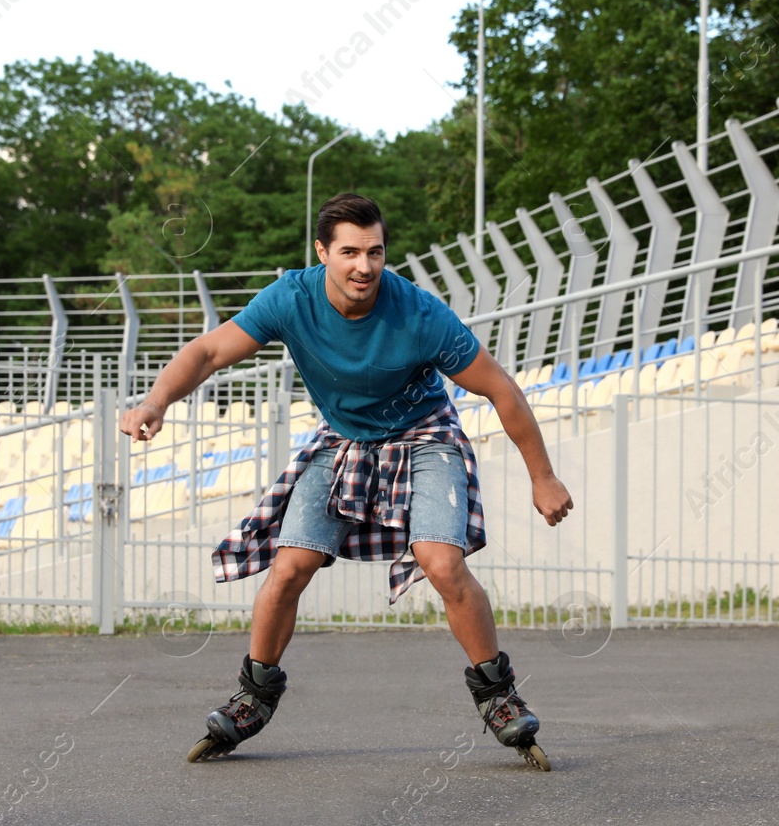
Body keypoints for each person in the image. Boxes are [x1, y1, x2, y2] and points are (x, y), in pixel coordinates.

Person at [118, 193, 573, 768]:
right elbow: (209, 351)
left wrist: (544, 476)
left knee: (442, 562)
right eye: (351, 252)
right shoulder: (292, 298)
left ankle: (497, 694)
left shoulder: (418, 313)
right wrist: (156, 402)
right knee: (290, 566)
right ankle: (253, 695)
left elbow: (500, 388)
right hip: (343, 441)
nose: (364, 266)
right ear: (322, 252)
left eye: (375, 252)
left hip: (424, 437)